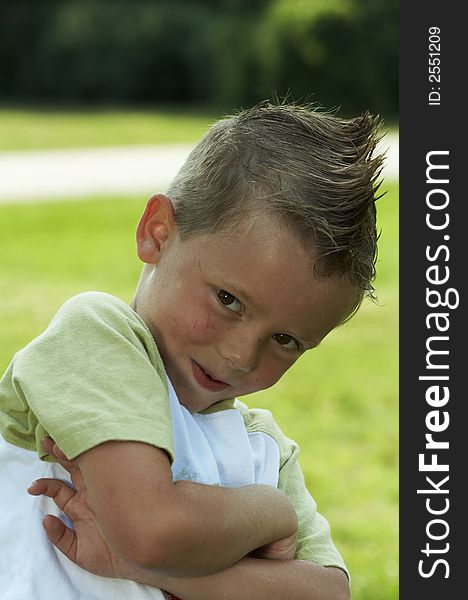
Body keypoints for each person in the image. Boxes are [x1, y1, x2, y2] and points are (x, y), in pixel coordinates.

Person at [0, 101, 384, 600]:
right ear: (157, 232)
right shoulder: (94, 338)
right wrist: (271, 512)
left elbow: (327, 594)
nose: (241, 355)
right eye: (229, 300)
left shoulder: (264, 449)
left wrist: (154, 572)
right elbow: (152, 531)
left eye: (286, 341)